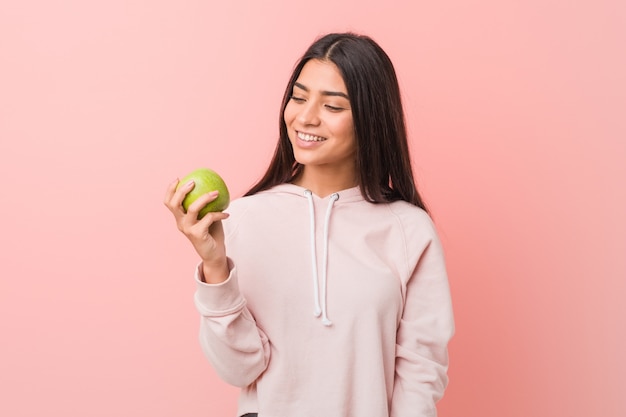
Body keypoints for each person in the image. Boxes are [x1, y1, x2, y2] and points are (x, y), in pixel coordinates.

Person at [164, 32, 455, 417]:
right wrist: (216, 267)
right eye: (298, 98)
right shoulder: (241, 219)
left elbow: (420, 373)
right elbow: (239, 369)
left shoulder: (409, 230)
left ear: (370, 118)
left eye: (332, 106)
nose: (305, 117)